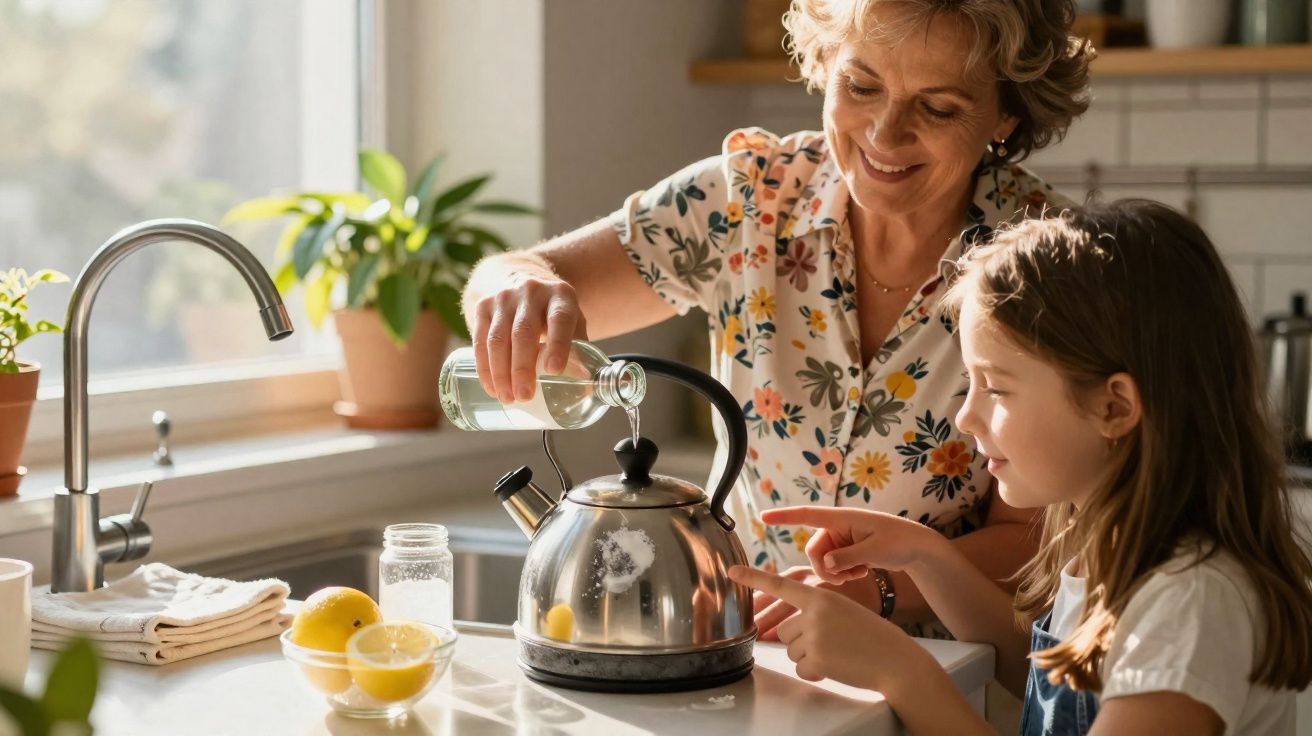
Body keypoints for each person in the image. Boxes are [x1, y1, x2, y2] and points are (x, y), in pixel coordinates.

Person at [461, 0, 1095, 633]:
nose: (884, 132)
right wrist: (514, 286)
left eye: (937, 107)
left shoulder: (1050, 262)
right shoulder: (749, 201)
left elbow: (1038, 540)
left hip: (946, 676)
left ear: (1006, 113)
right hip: (747, 657)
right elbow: (531, 273)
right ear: (825, 63)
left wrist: (878, 589)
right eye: (861, 85)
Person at [730, 200, 1312, 735]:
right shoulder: (1109, 549)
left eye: (996, 389)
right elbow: (1052, 678)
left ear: (1114, 407)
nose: (966, 418)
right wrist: (928, 556)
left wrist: (900, 671)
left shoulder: (1190, 604)